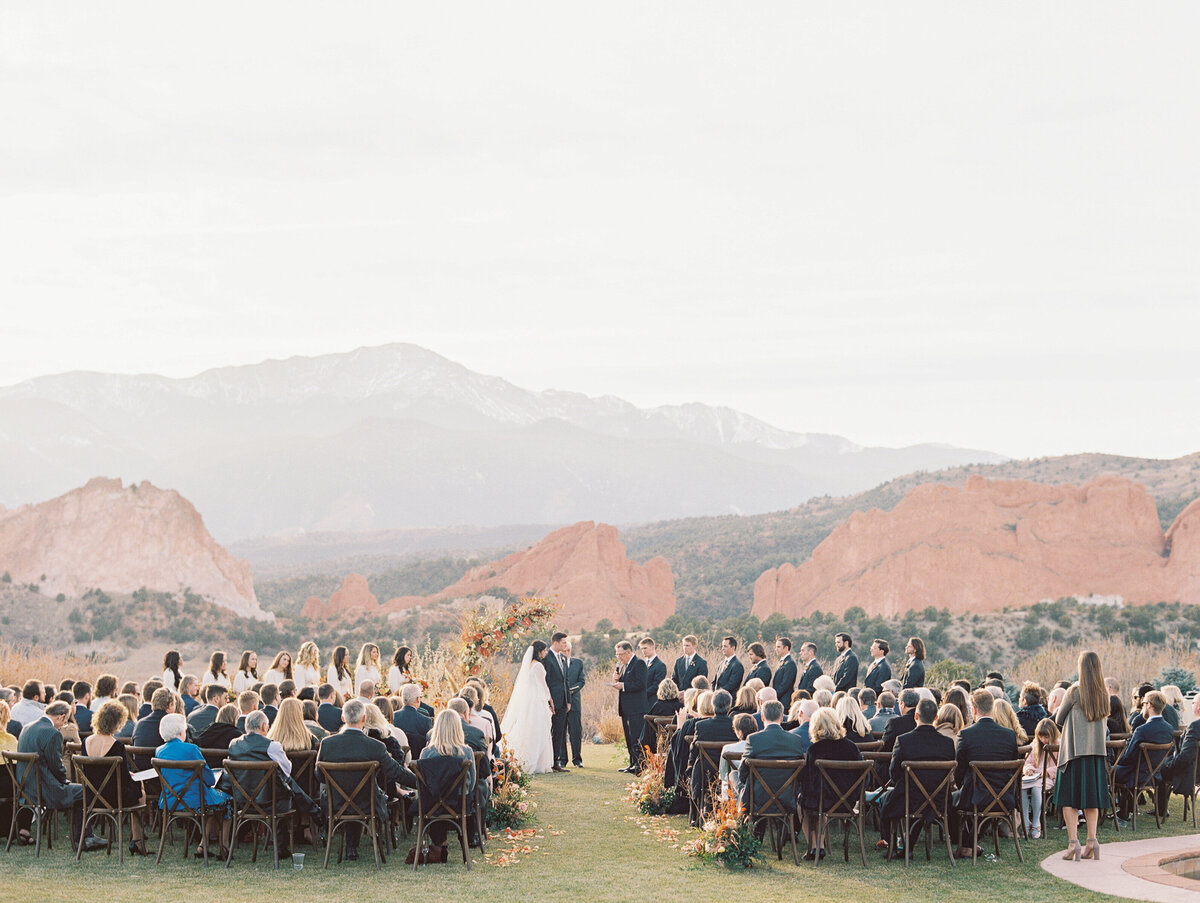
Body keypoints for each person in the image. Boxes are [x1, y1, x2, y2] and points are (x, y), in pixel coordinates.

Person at [318, 698, 415, 861]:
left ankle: (351, 848)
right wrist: (421, 781)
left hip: (335, 802)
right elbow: (396, 772)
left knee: (350, 796)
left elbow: (319, 775)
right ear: (364, 719)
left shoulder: (327, 743)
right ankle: (351, 848)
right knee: (358, 795)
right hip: (367, 802)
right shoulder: (374, 746)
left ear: (343, 718)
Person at [15, 701, 104, 851]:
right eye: (65, 721)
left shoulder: (26, 727)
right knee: (84, 790)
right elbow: (56, 766)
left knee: (78, 790)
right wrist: (65, 781)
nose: (63, 725)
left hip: (25, 789)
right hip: (45, 790)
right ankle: (84, 838)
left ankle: (85, 837)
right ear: (60, 717)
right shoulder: (52, 733)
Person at [876, 698, 953, 858]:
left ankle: (893, 845)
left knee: (885, 799)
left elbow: (894, 773)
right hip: (939, 801)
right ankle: (905, 846)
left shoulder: (904, 741)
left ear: (916, 716)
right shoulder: (947, 743)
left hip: (908, 800)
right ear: (936, 717)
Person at [1054, 650, 1112, 861]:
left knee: (1069, 798)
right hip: (1096, 754)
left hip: (1074, 752)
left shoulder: (1074, 691)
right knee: (1091, 799)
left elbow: (1059, 718)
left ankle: (1072, 844)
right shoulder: (1104, 693)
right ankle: (1092, 841)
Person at [154, 713, 232, 858]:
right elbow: (209, 780)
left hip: (169, 801)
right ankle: (224, 847)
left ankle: (203, 845)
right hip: (195, 800)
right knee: (226, 801)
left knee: (213, 804)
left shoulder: (159, 751)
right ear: (181, 732)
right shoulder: (191, 749)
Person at [952, 689, 1018, 859]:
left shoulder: (966, 735)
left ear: (973, 710)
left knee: (947, 799)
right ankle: (969, 845)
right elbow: (1012, 769)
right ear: (992, 708)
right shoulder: (1009, 735)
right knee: (969, 799)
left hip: (974, 797)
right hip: (1004, 798)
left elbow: (959, 770)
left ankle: (965, 845)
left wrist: (960, 787)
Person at [84, 700, 148, 855]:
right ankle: (138, 840)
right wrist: (134, 779)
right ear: (118, 722)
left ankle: (137, 840)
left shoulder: (86, 741)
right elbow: (125, 779)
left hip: (91, 796)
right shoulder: (117, 745)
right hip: (114, 797)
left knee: (136, 789)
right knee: (141, 793)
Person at [797, 708, 862, 860]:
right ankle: (818, 847)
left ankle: (815, 846)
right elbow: (863, 778)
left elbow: (808, 781)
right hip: (848, 801)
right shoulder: (851, 747)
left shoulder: (814, 750)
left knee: (804, 803)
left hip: (822, 801)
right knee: (816, 800)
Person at [417, 709, 477, 857]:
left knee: (436, 799)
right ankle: (466, 840)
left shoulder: (426, 752)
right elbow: (472, 781)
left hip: (433, 807)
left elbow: (423, 784)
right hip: (459, 804)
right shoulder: (467, 752)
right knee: (464, 797)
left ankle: (440, 844)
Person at [1114, 690, 1175, 822]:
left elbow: (1128, 757)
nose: (1142, 706)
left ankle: (1120, 812)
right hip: (1155, 775)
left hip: (1137, 775)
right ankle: (1126, 810)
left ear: (1150, 705)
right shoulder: (1169, 729)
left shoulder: (1142, 730)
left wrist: (1116, 761)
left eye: (1144, 703)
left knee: (1110, 771)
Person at [737, 698, 805, 815]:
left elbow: (742, 772)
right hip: (787, 798)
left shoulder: (753, 739)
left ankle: (740, 817)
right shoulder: (795, 740)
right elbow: (800, 774)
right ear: (782, 716)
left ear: (762, 717)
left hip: (759, 797)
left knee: (734, 776)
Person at [501, 642, 555, 774]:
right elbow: (543, 686)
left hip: (529, 702)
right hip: (538, 702)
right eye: (544, 650)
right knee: (539, 730)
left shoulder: (528, 666)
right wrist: (550, 701)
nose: (546, 653)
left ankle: (533, 761)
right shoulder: (538, 666)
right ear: (539, 651)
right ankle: (535, 763)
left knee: (530, 729)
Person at [1157, 693, 1200, 819]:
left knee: (1159, 768)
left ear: (1198, 707)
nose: (1192, 706)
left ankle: (1161, 811)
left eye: (1194, 703)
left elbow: (1186, 756)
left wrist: (1171, 765)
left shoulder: (1195, 727)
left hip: (1193, 772)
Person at [1020, 718, 1060, 840]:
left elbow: (1061, 766)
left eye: (1046, 737)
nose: (1044, 740)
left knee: (1037, 789)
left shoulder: (1059, 744)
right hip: (1035, 776)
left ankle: (1037, 822)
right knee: (1021, 788)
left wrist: (1048, 772)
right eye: (1041, 737)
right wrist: (1029, 769)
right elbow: (1028, 762)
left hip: (1049, 777)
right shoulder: (1035, 744)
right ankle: (1026, 821)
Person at [612, 641, 648, 774]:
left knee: (636, 737)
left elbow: (641, 684)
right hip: (626, 708)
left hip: (636, 708)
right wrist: (618, 679)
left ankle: (640, 764)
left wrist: (623, 685)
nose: (619, 658)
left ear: (628, 652)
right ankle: (632, 763)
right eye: (617, 655)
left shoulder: (639, 663)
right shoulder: (624, 666)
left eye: (620, 654)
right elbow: (627, 680)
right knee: (629, 737)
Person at [543, 632, 571, 772]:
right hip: (551, 702)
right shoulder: (547, 658)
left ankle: (556, 761)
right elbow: (545, 681)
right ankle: (548, 761)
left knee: (559, 732)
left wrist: (569, 701)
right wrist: (549, 700)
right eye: (564, 642)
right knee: (548, 732)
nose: (566, 645)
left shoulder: (563, 658)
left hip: (563, 702)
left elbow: (566, 681)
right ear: (556, 642)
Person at [131, 687, 176, 770]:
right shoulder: (173, 724)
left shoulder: (139, 724)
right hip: (164, 776)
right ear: (170, 705)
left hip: (141, 775)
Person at [720, 713, 759, 801]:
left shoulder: (727, 749)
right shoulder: (760, 748)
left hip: (734, 792)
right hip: (757, 790)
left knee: (731, 775)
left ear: (740, 732)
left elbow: (723, 774)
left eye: (734, 729)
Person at [639, 679, 682, 754]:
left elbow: (648, 728)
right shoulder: (680, 707)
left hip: (658, 742)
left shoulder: (657, 706)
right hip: (677, 742)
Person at [563, 640, 586, 767]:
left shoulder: (578, 663)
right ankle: (562, 760)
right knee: (561, 733)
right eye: (564, 650)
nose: (566, 653)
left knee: (576, 732)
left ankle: (577, 760)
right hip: (560, 703)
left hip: (575, 703)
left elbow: (581, 681)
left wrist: (571, 690)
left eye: (568, 650)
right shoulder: (557, 663)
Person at [394, 683, 434, 757]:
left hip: (396, 761)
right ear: (418, 699)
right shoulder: (426, 721)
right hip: (417, 762)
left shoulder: (393, 717)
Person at [638, 637, 667, 708]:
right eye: (642, 649)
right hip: (641, 702)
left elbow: (656, 685)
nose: (643, 651)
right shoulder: (642, 664)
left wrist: (642, 694)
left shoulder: (660, 665)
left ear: (652, 647)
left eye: (645, 648)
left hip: (652, 702)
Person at [771, 637, 798, 712]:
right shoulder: (781, 661)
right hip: (779, 700)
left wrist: (774, 696)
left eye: (778, 647)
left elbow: (785, 684)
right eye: (776, 647)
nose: (776, 649)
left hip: (785, 701)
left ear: (786, 648)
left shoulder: (790, 663)